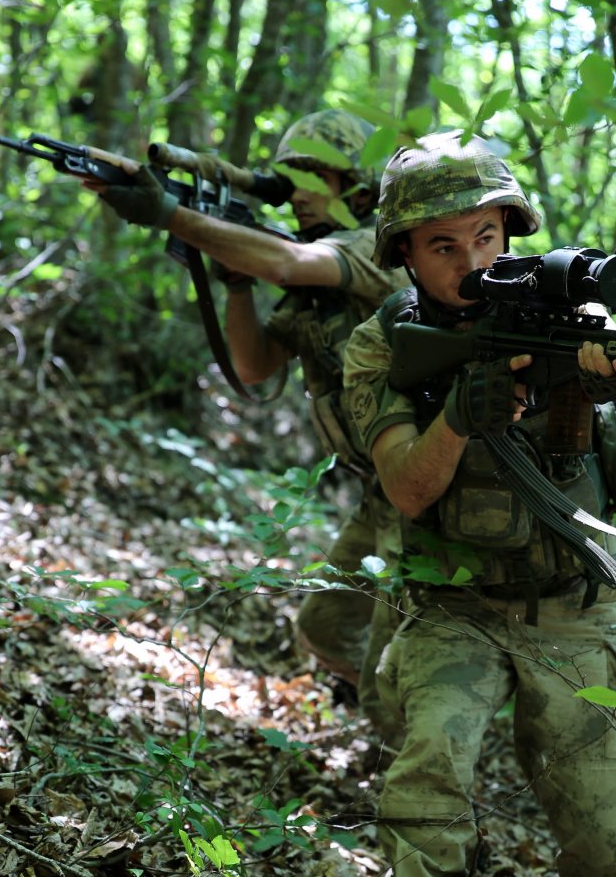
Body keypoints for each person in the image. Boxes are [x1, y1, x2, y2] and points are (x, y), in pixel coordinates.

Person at [342, 130, 616, 877]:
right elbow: (408, 486)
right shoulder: (379, 348)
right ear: (403, 253)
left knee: (611, 839)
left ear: (511, 231)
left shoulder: (563, 308)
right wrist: (460, 414)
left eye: (485, 238)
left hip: (577, 612)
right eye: (442, 245)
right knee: (430, 769)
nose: (470, 261)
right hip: (452, 606)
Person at [89, 110, 405, 741]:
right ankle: (387, 727)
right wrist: (235, 285)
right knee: (320, 628)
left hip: (425, 490)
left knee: (392, 675)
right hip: (380, 494)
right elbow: (255, 367)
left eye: (315, 177)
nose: (301, 193)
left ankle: (417, 784)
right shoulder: (308, 291)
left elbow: (289, 262)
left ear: (358, 190)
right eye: (291, 178)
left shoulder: (373, 249)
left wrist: (173, 217)